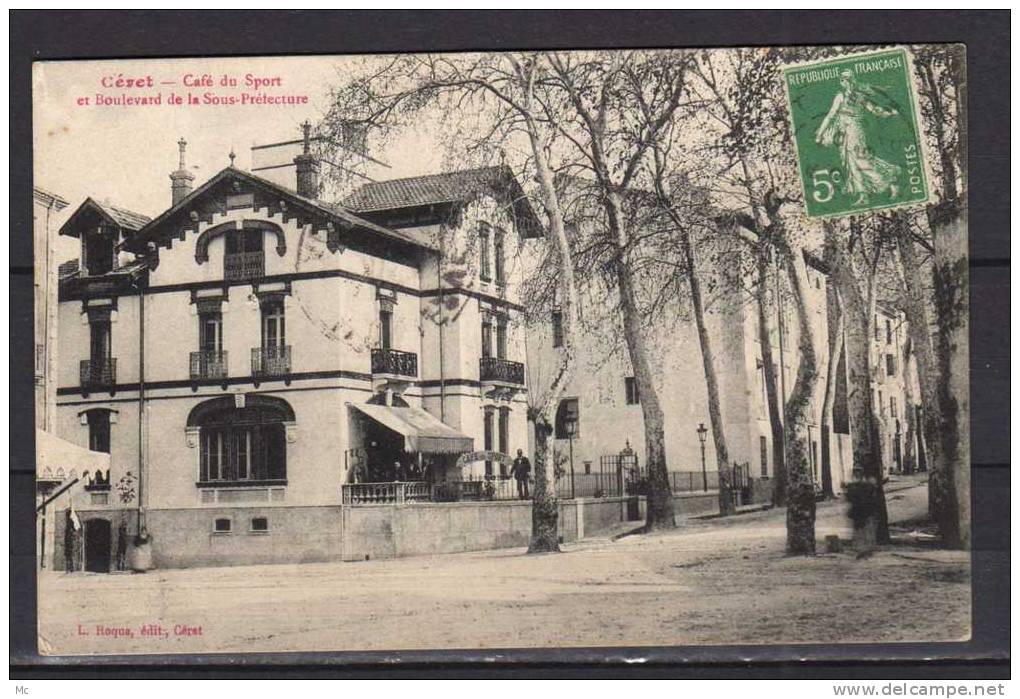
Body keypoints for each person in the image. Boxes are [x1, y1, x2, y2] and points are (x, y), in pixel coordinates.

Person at [815, 69, 901, 207]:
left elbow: (830, 115)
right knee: (852, 163)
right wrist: (890, 113)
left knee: (861, 161)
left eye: (843, 80)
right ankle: (863, 195)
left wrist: (820, 134)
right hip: (846, 133)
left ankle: (890, 182)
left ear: (845, 81)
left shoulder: (843, 96)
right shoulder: (857, 96)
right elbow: (876, 111)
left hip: (853, 132)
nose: (842, 82)